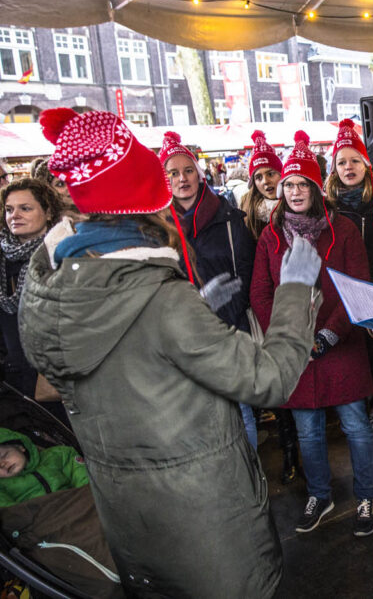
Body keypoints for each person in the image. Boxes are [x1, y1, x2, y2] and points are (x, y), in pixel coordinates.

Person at [20, 107, 324, 598]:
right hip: (205, 531)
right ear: (145, 202)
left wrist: (194, 312)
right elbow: (267, 378)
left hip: (133, 525)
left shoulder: (52, 287)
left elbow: (132, 358)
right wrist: (294, 290)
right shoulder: (160, 299)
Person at [250, 131, 373, 537]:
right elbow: (260, 291)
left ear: (314, 186)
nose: (293, 191)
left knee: (356, 425)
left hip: (339, 345)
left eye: (301, 183)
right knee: (307, 429)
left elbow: (357, 287)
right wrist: (291, 336)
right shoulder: (271, 235)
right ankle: (320, 494)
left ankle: (367, 496)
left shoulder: (342, 231)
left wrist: (326, 334)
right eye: (288, 184)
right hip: (297, 352)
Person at [160, 131, 259, 447]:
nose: (182, 179)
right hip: (183, 333)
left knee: (241, 414)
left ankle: (251, 483)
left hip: (227, 328)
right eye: (172, 173)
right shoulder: (159, 227)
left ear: (199, 173)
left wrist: (227, 319)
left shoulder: (228, 218)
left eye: (187, 170)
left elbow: (245, 270)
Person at [325, 118, 373, 485]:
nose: (348, 168)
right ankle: (363, 452)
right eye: (342, 162)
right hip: (338, 303)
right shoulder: (326, 208)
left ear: (367, 164)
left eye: (354, 160)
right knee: (353, 381)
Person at [240, 131, 301, 485]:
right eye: (259, 176)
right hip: (263, 311)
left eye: (271, 174)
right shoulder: (246, 216)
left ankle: (299, 448)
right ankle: (288, 447)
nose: (265, 181)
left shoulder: (294, 210)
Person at [1, 178, 65, 420]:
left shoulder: (63, 254)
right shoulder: (3, 257)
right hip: (12, 381)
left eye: (25, 208)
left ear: (48, 212)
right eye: (9, 209)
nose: (14, 215)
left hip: (53, 379)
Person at [0, 427, 89, 506]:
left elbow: (84, 477)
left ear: (20, 447)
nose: (2, 464)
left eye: (4, 456)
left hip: (77, 502)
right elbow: (9, 513)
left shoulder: (58, 455)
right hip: (40, 520)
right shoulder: (2, 487)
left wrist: (84, 498)